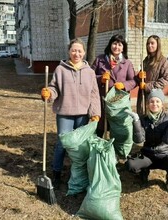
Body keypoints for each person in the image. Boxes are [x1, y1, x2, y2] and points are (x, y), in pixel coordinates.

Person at [41, 38, 101, 189]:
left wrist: (95, 113)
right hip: (65, 113)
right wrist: (48, 93)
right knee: (62, 144)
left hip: (82, 115)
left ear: (84, 53)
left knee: (79, 146)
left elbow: (94, 94)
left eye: (79, 50)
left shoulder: (90, 72)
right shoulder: (61, 70)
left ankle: (78, 175)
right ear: (69, 51)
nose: (76, 53)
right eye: (73, 50)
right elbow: (54, 88)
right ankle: (56, 173)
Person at [125, 89, 168, 193]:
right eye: (152, 101)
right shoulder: (143, 119)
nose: (154, 104)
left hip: (165, 154)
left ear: (162, 104)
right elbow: (138, 140)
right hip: (148, 154)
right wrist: (136, 121)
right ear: (148, 104)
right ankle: (144, 172)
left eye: (157, 101)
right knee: (130, 165)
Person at [91, 34, 137, 137]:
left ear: (123, 48)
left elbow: (134, 81)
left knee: (116, 129)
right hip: (102, 99)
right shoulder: (100, 60)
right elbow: (89, 76)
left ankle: (115, 150)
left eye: (120, 44)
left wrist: (124, 85)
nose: (117, 47)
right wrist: (100, 78)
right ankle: (99, 149)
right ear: (110, 44)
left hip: (118, 102)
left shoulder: (127, 63)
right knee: (100, 127)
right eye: (114, 43)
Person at [136, 35, 168, 115]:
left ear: (157, 45)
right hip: (143, 95)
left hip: (155, 95)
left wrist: (147, 86)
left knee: (154, 118)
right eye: (148, 43)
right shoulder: (146, 60)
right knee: (142, 117)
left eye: (152, 43)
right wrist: (139, 77)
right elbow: (141, 79)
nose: (149, 45)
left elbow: (165, 79)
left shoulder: (163, 61)